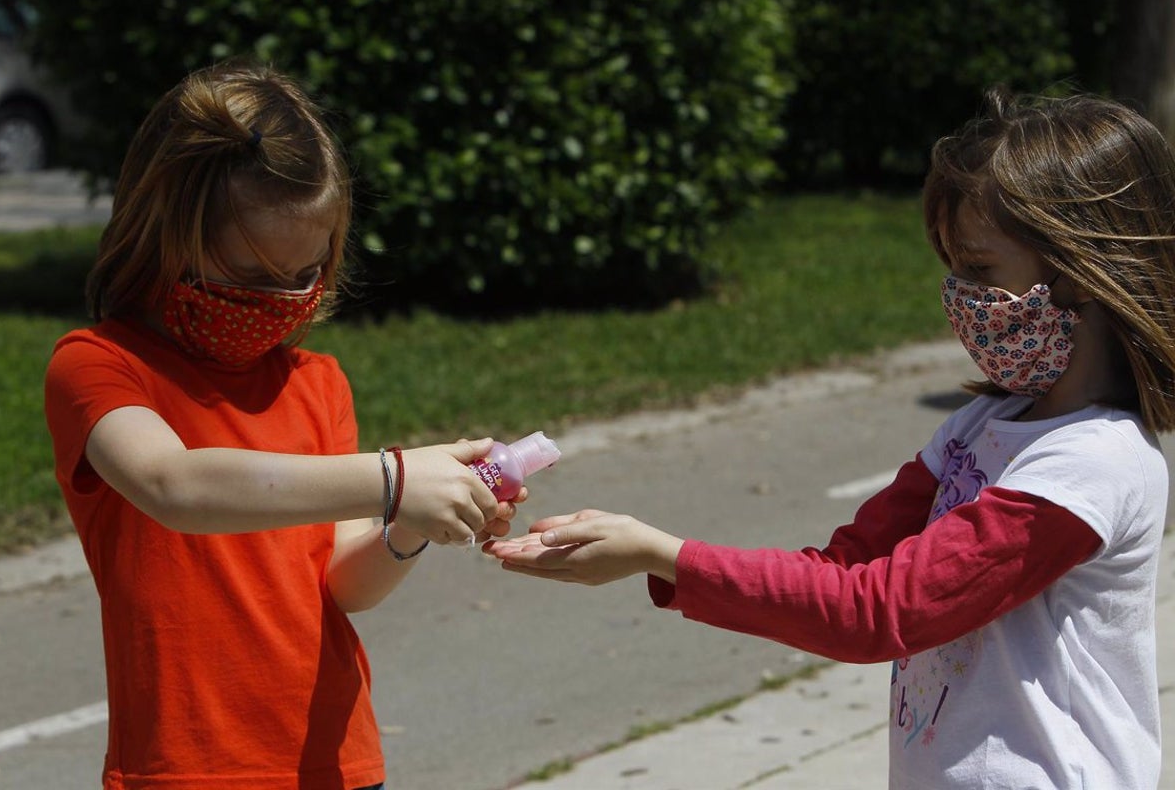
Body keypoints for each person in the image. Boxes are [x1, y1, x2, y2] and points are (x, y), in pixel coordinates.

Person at [485, 87, 1175, 789]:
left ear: (1084, 275)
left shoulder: (1091, 466)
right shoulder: (979, 428)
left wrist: (665, 556)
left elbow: (881, 612)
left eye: (981, 271)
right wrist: (655, 561)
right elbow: (843, 570)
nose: (959, 295)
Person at [44, 60, 520, 790]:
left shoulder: (316, 383)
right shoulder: (99, 367)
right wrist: (393, 476)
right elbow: (174, 485)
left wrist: (409, 523)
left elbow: (341, 587)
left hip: (336, 763)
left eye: (307, 274)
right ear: (167, 232)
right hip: (185, 771)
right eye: (255, 275)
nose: (285, 298)